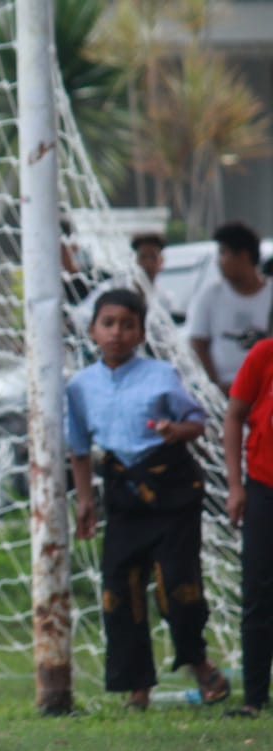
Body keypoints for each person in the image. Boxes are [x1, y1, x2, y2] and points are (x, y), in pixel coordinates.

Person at [67, 288, 229, 712]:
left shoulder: (160, 376)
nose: (117, 333)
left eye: (127, 325)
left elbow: (197, 420)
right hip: (123, 495)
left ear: (140, 332)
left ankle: (198, 662)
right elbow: (79, 448)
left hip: (171, 490)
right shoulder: (81, 386)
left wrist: (176, 431)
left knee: (179, 585)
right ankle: (137, 687)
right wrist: (85, 501)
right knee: (120, 589)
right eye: (108, 324)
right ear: (92, 331)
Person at [222, 334, 273, 718]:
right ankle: (254, 697)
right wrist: (236, 486)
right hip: (263, 488)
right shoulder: (264, 353)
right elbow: (234, 415)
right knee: (258, 589)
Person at [185, 221, 269, 395]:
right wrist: (215, 385)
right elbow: (198, 344)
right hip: (225, 391)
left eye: (224, 253)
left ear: (244, 256)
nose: (219, 262)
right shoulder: (210, 296)